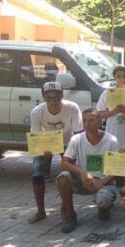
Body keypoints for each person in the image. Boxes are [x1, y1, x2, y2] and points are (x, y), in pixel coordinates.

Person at [57, 108, 121, 233]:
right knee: (63, 177)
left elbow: (119, 169)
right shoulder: (76, 139)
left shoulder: (111, 140)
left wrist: (102, 182)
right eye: (85, 120)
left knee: (103, 200)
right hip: (84, 181)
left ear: (100, 121)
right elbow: (64, 163)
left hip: (104, 182)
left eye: (92, 120)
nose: (87, 124)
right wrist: (82, 172)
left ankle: (104, 209)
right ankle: (70, 216)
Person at [28, 81, 83, 224]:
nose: (53, 101)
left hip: (68, 142)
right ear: (43, 97)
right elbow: (36, 137)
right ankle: (40, 211)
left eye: (57, 97)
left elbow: (78, 133)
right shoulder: (37, 112)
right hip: (47, 143)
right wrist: (43, 149)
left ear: (62, 95)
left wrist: (72, 151)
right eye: (49, 97)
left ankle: (66, 207)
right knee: (37, 174)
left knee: (69, 174)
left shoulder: (72, 108)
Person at [96, 66, 125, 148]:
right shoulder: (107, 93)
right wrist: (113, 112)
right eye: (119, 76)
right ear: (114, 77)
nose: (122, 79)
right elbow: (99, 114)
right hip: (111, 135)